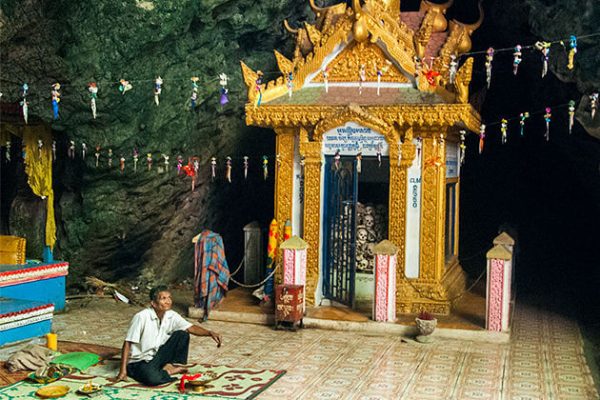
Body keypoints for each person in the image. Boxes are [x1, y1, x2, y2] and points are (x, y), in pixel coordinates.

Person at [111, 285, 222, 386]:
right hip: (139, 362)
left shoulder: (171, 315)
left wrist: (210, 333)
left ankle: (171, 365)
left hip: (157, 355)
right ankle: (168, 371)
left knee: (182, 334)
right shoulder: (141, 317)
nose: (168, 301)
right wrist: (122, 371)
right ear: (153, 303)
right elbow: (128, 343)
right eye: (163, 298)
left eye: (169, 298)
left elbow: (191, 328)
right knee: (152, 379)